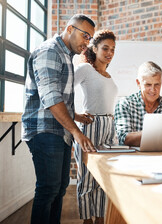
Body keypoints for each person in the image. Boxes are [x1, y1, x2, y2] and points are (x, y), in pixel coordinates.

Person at [21, 14, 96, 224]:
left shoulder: (65, 56)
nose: (87, 42)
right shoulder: (49, 52)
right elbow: (51, 99)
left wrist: (76, 116)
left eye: (90, 38)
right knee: (48, 189)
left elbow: (59, 97)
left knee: (60, 187)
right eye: (85, 35)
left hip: (58, 130)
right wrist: (76, 131)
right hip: (44, 130)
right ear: (70, 29)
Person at [73, 30, 118, 224]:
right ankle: (87, 221)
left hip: (109, 126)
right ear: (94, 48)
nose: (109, 52)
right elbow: (63, 91)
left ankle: (100, 219)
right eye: (105, 48)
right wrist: (74, 116)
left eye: (113, 49)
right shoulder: (85, 69)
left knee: (103, 178)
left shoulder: (108, 75)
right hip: (91, 126)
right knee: (87, 178)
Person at [114, 61, 162, 146]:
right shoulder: (125, 104)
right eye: (148, 85)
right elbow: (123, 139)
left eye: (157, 84)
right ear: (138, 83)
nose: (153, 90)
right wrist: (160, 133)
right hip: (135, 158)